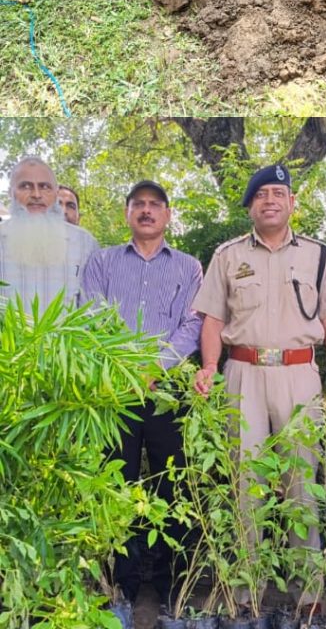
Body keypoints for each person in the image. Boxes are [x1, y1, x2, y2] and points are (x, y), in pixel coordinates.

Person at [192, 164, 326, 612]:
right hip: (242, 374)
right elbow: (213, 319)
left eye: (278, 193)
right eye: (261, 194)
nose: (270, 200)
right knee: (247, 481)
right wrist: (209, 366)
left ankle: (308, 592)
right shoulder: (227, 255)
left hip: (299, 375)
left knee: (302, 478)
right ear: (248, 206)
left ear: (292, 203)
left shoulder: (318, 254)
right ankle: (247, 590)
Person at [81, 180, 202, 608]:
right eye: (139, 205)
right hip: (114, 388)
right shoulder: (102, 262)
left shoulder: (188, 267)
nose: (147, 211)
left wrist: (155, 368)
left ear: (168, 215)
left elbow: (193, 325)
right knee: (118, 482)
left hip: (167, 391)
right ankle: (125, 584)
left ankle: (172, 583)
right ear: (127, 213)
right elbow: (92, 314)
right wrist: (126, 368)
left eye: (155, 205)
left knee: (173, 483)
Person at [0, 155, 99, 310]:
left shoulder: (84, 243)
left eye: (45, 187)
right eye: (25, 186)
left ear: (55, 193)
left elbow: (93, 310)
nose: (36, 195)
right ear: (10, 193)